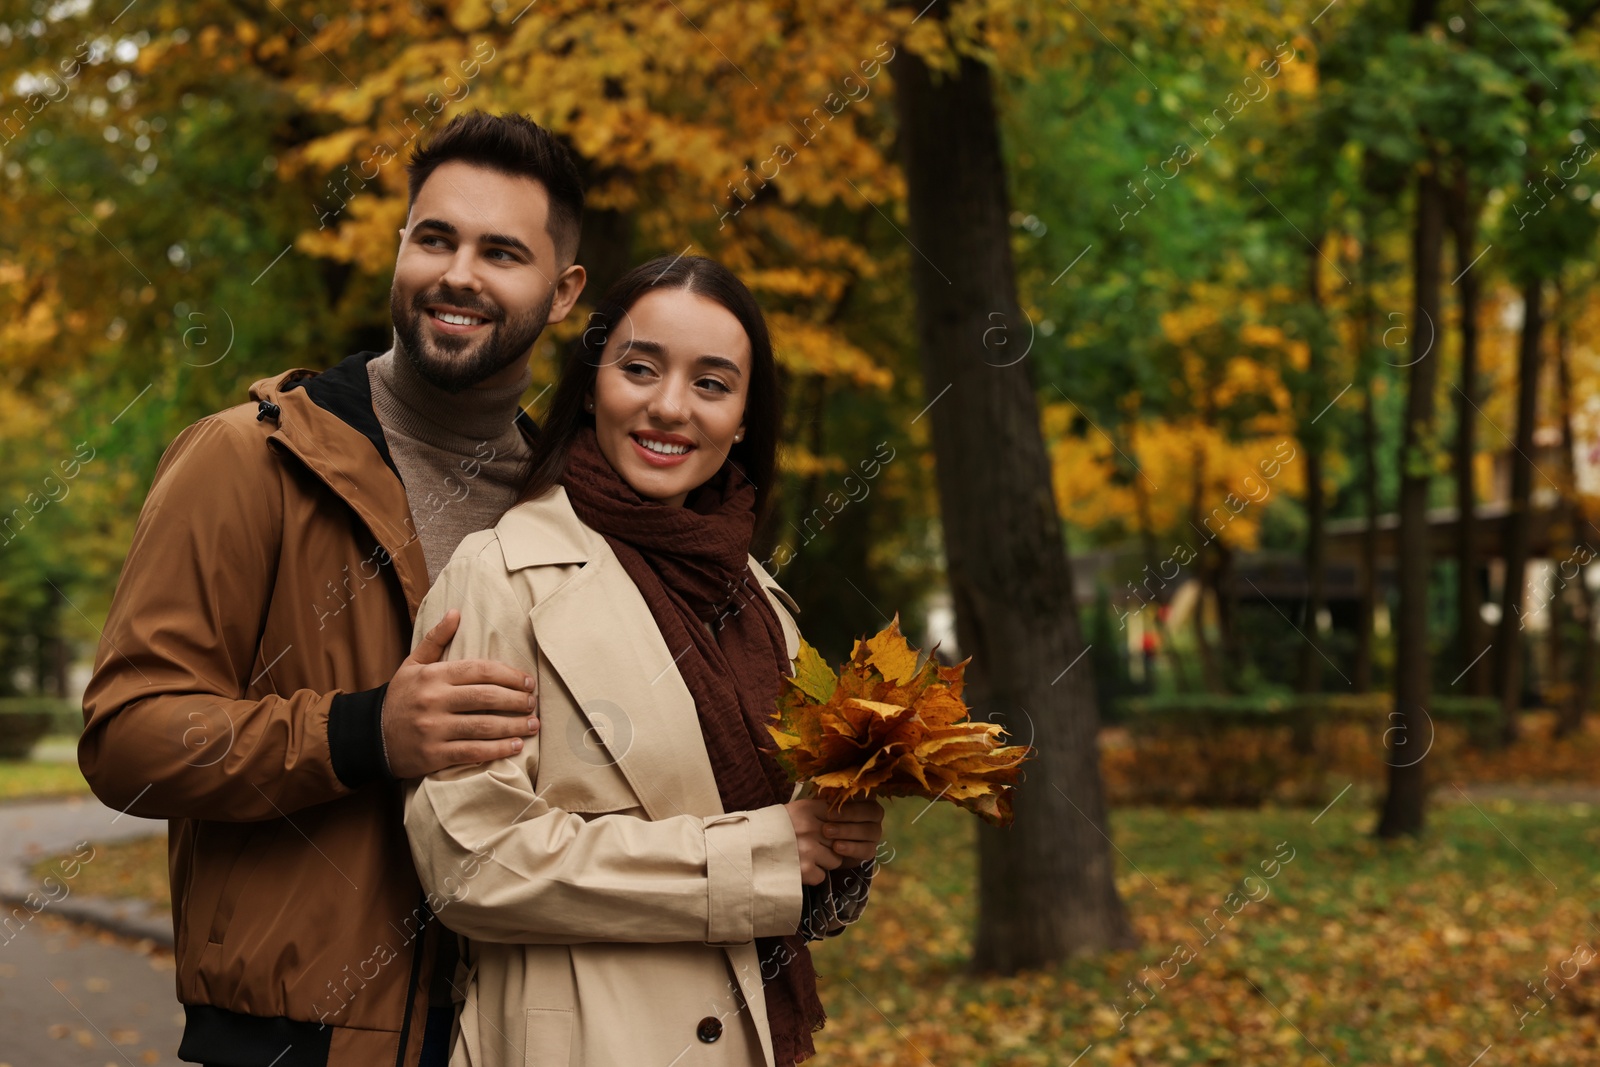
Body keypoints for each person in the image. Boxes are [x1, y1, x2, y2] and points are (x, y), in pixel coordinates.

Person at [78, 110, 587, 1067]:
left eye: (501, 251)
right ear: (399, 247)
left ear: (562, 292)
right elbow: (127, 737)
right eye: (433, 237)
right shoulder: (247, 459)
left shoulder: (570, 510)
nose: (458, 274)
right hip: (295, 1042)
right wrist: (362, 734)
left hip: (522, 1031)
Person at [402, 255, 884, 1066]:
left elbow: (796, 847)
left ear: (741, 418)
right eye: (640, 368)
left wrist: (837, 846)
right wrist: (757, 857)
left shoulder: (759, 601)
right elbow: (470, 862)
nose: (670, 406)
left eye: (711, 383)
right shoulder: (501, 577)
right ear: (591, 385)